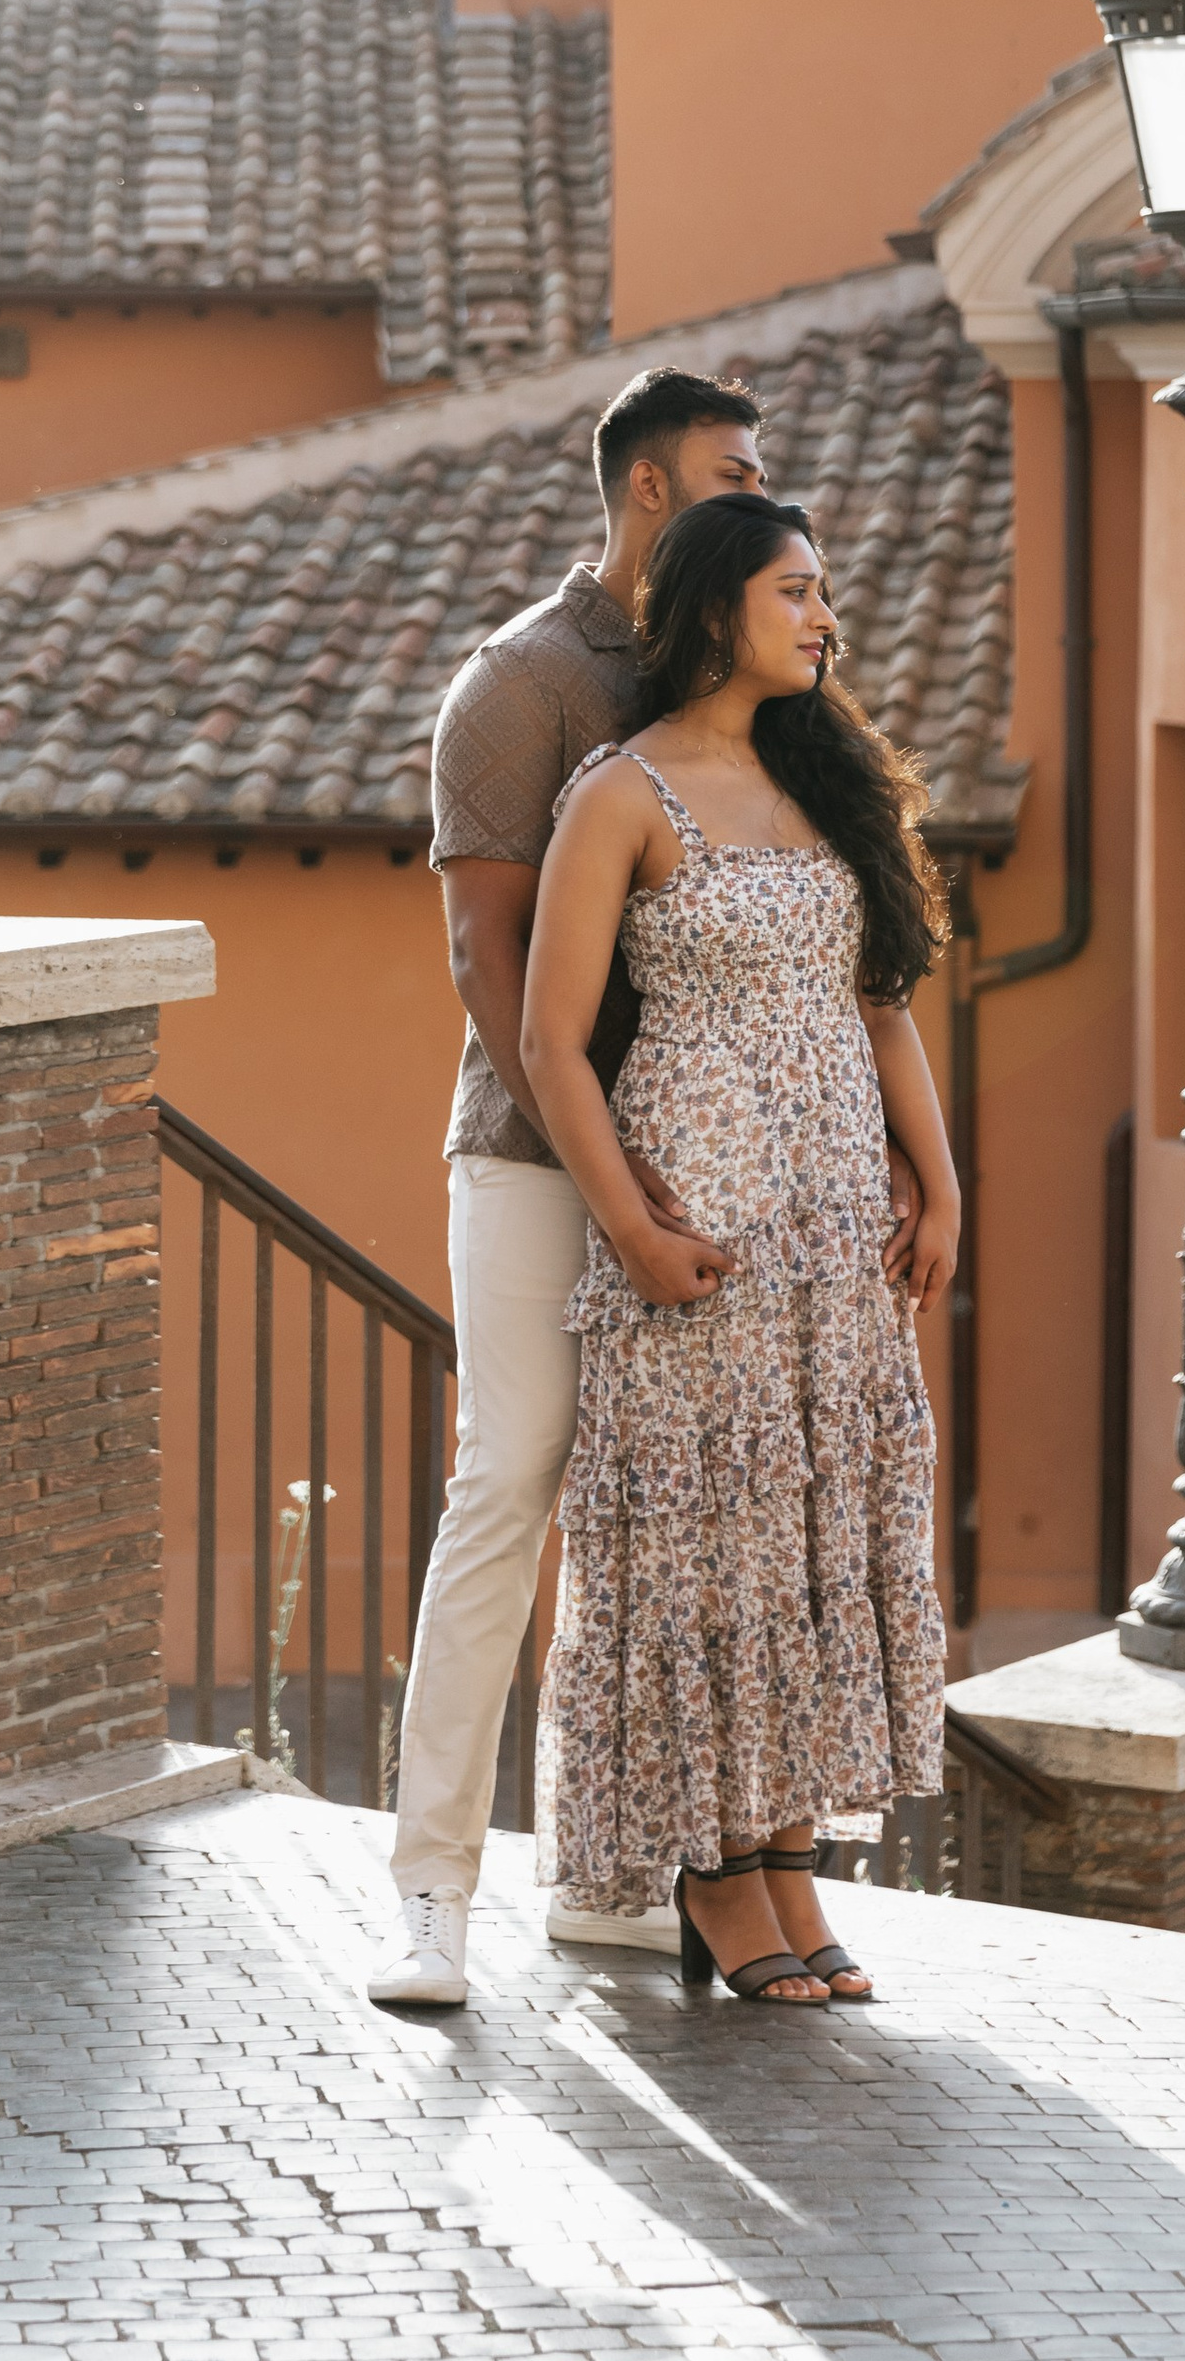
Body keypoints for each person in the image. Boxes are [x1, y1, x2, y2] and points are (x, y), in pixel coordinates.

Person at [370, 366, 790, 2005]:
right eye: (736, 470)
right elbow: (487, 957)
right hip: (537, 1160)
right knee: (513, 1477)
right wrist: (613, 1159)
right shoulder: (522, 685)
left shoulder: (742, 676)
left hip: (724, 1176)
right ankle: (430, 1894)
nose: (763, 492)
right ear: (648, 495)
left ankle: (612, 1881)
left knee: (671, 1511)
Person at [518, 492, 959, 2007]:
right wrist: (633, 1231)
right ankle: (711, 1867)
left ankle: (784, 1853)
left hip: (835, 1225)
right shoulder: (622, 794)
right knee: (715, 1544)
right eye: (797, 590)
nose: (824, 616)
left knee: (810, 1539)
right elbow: (549, 1040)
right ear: (716, 610)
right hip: (702, 1222)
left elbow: (886, 1003)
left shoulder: (828, 785)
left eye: (826, 591)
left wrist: (941, 1181)